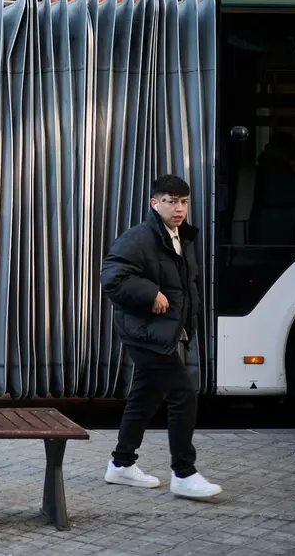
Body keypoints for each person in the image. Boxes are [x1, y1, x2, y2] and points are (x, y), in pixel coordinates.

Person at [100, 174, 221, 499]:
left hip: (165, 331)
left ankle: (121, 464)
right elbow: (111, 277)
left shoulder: (180, 237)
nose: (178, 207)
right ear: (155, 203)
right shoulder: (140, 238)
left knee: (145, 398)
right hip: (146, 334)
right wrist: (149, 292)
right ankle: (184, 473)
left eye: (183, 201)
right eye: (170, 201)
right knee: (183, 395)